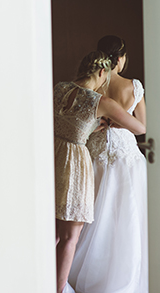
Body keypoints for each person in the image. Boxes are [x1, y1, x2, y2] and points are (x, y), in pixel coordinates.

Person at [54, 50, 146, 293]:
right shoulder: (100, 102)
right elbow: (139, 127)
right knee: (71, 237)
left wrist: (89, 130)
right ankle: (58, 289)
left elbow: (65, 124)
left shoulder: (59, 88)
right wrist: (114, 121)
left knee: (53, 229)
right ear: (102, 71)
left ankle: (42, 276)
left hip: (53, 159)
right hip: (75, 163)